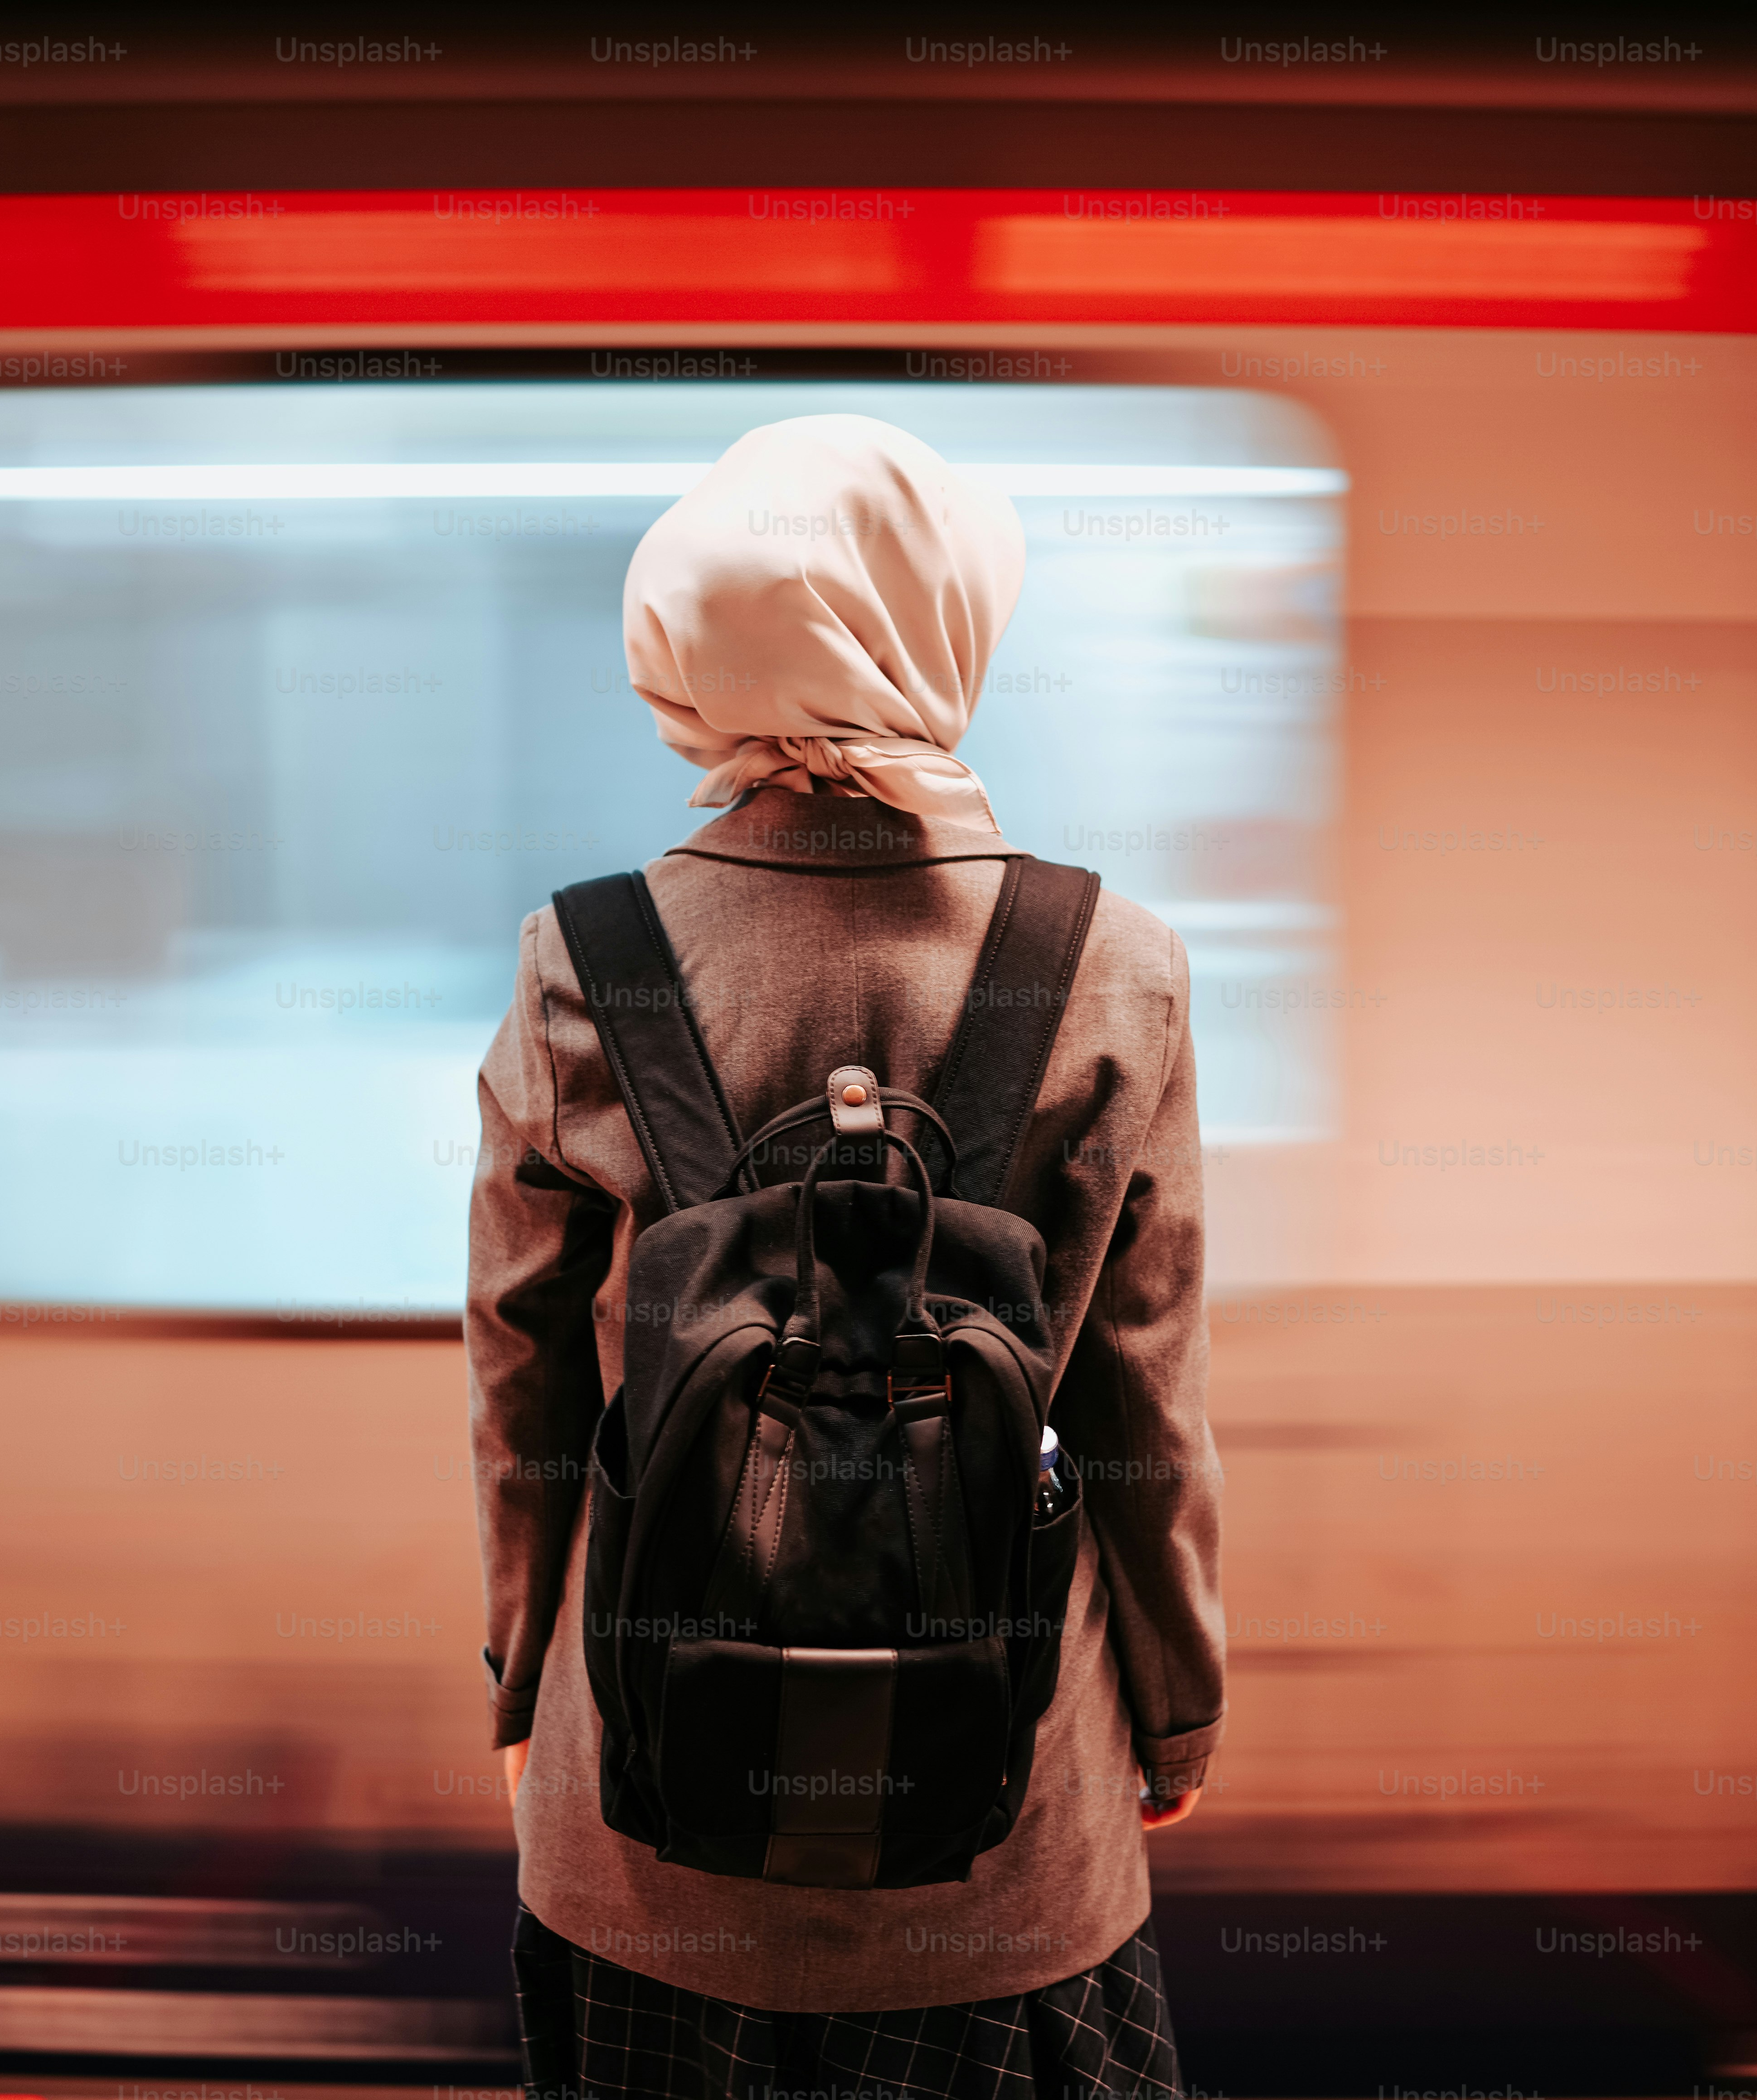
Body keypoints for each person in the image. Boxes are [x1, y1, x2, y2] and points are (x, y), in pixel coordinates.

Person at [465, 413, 1226, 2100]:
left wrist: (526, 1687)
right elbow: (1139, 1401)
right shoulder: (1112, 963)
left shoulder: (580, 958)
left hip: (643, 1841)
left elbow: (519, 1374)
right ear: (943, 622)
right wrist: (1169, 1710)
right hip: (1012, 1839)